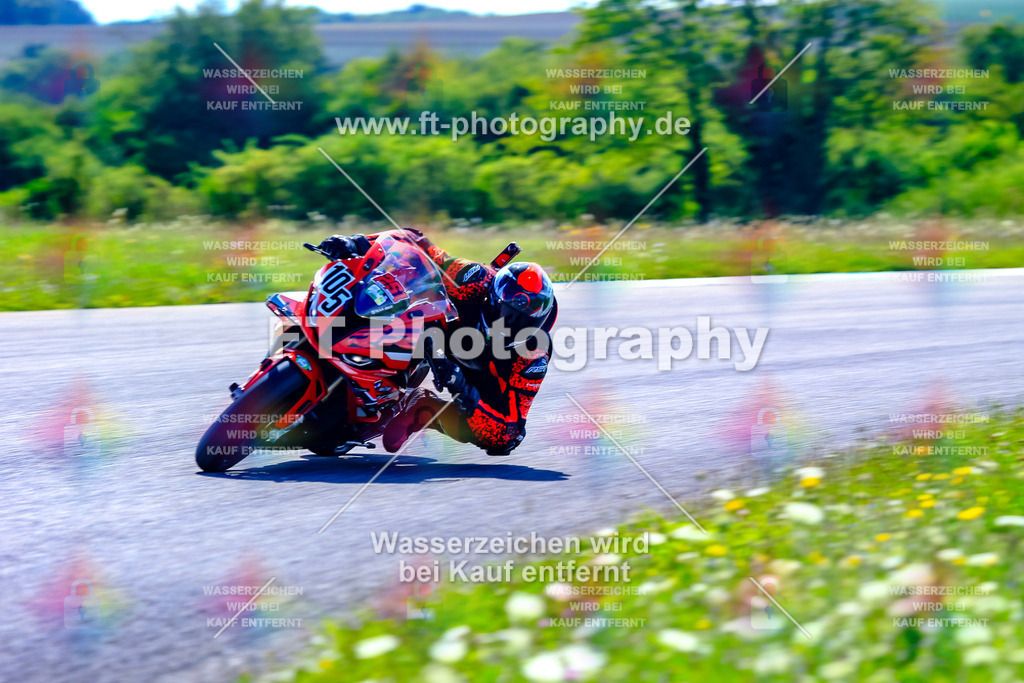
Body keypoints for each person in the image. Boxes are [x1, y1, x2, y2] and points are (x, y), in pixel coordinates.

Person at [317, 229, 557, 455]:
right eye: (508, 313)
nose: (510, 325)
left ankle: (424, 408)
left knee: (500, 439)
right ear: (493, 298)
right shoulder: (474, 279)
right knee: (404, 283)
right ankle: (348, 346)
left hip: (478, 378)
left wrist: (462, 386)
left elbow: (512, 428)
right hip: (437, 332)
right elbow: (417, 240)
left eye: (522, 322)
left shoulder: (533, 356)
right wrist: (358, 242)